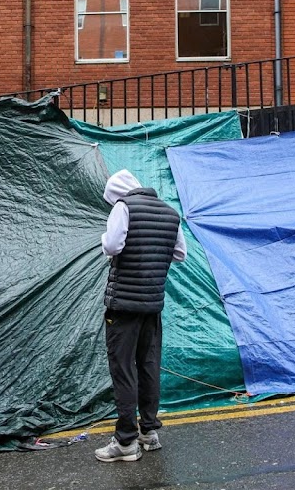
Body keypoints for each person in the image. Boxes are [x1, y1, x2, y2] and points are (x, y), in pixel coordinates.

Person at [94, 169, 187, 463]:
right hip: (152, 305)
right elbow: (180, 254)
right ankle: (149, 432)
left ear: (118, 194)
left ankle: (125, 442)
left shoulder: (124, 207)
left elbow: (112, 246)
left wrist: (110, 243)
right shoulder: (170, 213)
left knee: (123, 370)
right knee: (148, 366)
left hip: (123, 307)